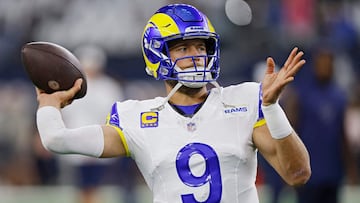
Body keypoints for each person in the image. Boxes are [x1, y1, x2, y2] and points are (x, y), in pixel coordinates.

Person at [34, 4, 311, 203]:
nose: (196, 56)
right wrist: (48, 103)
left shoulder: (244, 100)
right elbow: (57, 139)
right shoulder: (137, 117)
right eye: (183, 48)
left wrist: (273, 108)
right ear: (156, 54)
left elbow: (297, 174)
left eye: (201, 47)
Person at [282, 46, 358, 203]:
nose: (324, 67)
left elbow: (343, 135)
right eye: (321, 63)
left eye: (328, 63)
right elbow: (291, 131)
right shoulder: (301, 94)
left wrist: (351, 169)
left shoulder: (339, 96)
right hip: (307, 173)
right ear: (314, 65)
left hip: (333, 172)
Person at [60, 45, 126, 203]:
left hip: (102, 142)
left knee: (97, 185)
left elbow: (115, 115)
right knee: (81, 186)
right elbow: (64, 114)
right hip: (75, 143)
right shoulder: (70, 87)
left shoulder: (109, 87)